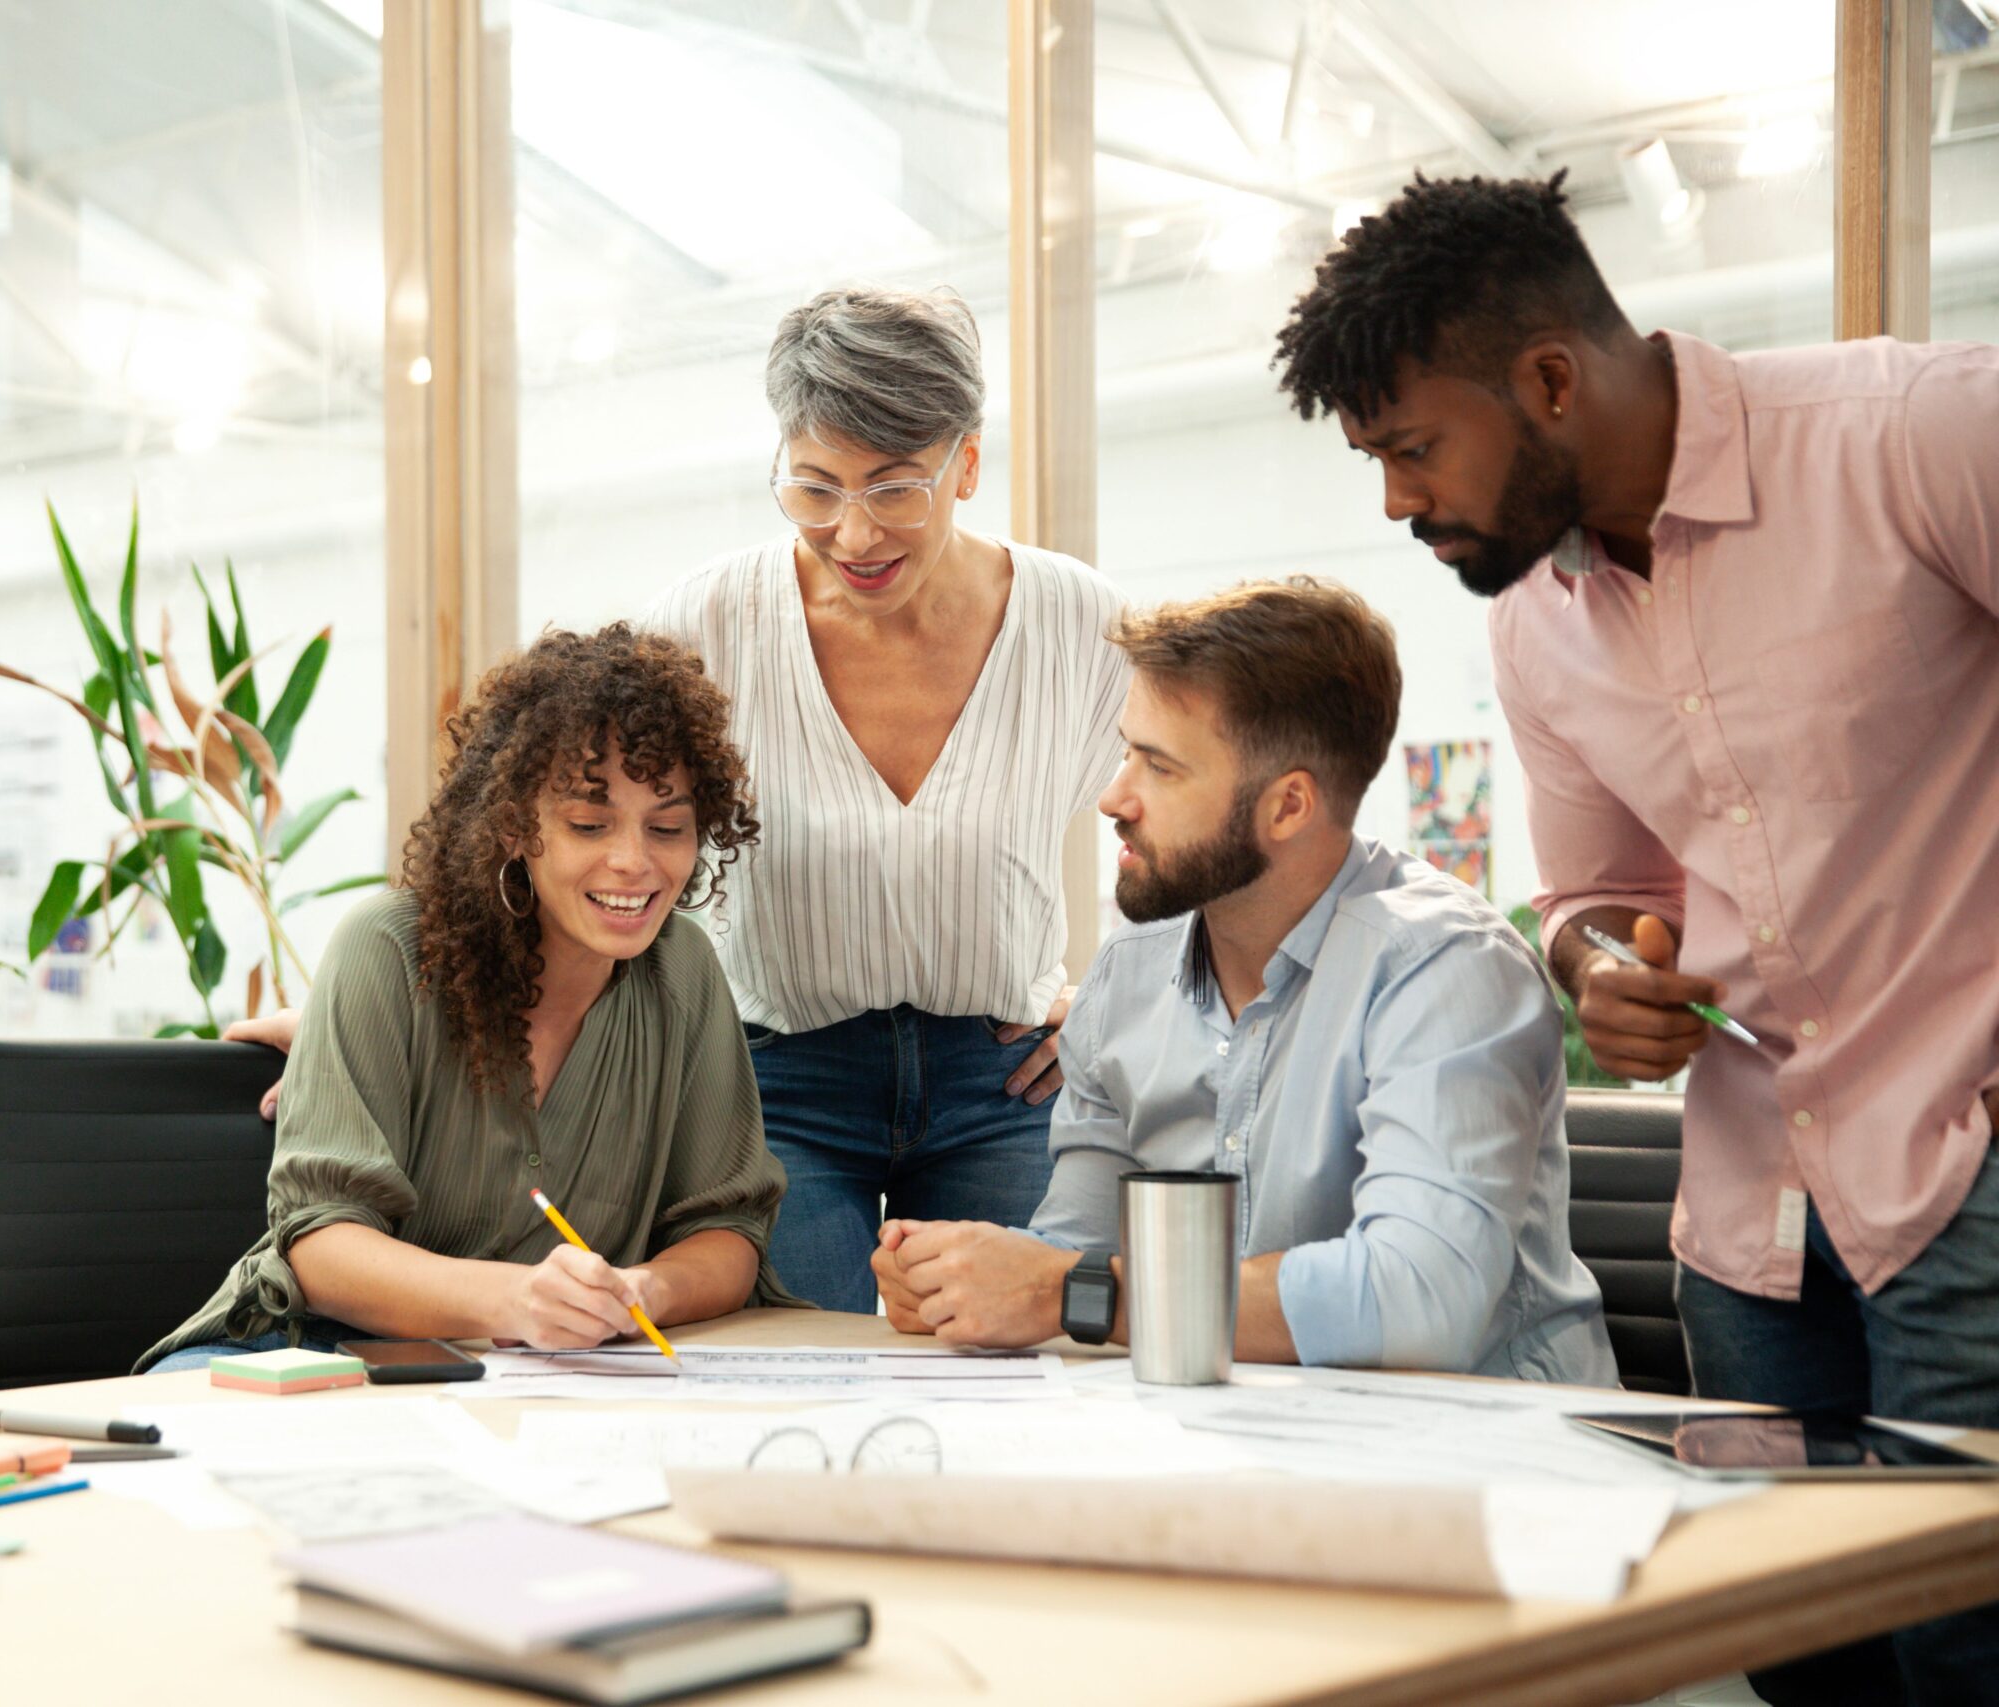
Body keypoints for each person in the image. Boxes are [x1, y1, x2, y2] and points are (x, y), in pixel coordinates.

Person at [1273, 170, 1999, 1705]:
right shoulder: (1532, 621)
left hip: (1970, 1175)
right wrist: (1604, 969)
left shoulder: (1922, 434)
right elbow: (1594, 895)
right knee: (1791, 1651)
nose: (1396, 502)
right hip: (1747, 1232)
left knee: (1971, 1648)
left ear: (1548, 379)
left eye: (1412, 448)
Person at [871, 578, 1615, 1388]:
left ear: (1288, 805)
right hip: (1256, 1446)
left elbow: (1423, 1296)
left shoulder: (1447, 969)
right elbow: (1073, 1254)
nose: (1114, 797)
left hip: (1495, 1459)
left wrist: (1062, 1290)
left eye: (1158, 767)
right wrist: (964, 1282)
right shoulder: (1130, 974)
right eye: (1127, 752)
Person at [642, 285, 1130, 1313]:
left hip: (1000, 1082)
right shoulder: (709, 623)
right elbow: (580, 843)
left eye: (894, 487)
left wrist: (1119, 1005)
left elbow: (1192, 828)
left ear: (966, 462)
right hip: (780, 1082)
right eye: (813, 487)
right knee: (812, 1385)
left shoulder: (1077, 622)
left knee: (1016, 1381)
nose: (854, 534)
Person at [136, 624, 790, 1374]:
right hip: (308, 1354)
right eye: (588, 823)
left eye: (668, 826)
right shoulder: (387, 949)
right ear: (515, 823)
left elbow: (729, 1231)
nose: (634, 862)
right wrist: (515, 1301)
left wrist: (640, 1290)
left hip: (541, 1379)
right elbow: (321, 1246)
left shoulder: (684, 969)